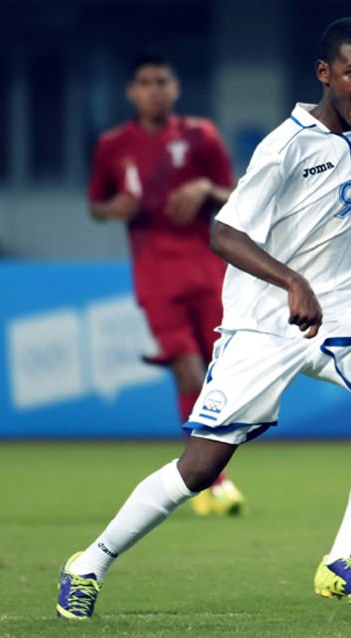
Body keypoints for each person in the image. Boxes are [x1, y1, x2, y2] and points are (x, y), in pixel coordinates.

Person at [58, 17, 351, 620]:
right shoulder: (285, 145)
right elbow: (223, 232)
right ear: (324, 74)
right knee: (200, 470)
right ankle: (90, 563)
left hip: (340, 312)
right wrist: (290, 281)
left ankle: (344, 558)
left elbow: (341, 233)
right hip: (264, 322)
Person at [87, 53, 245, 517]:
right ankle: (214, 481)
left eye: (162, 80)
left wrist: (206, 191)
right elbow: (95, 203)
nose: (154, 89)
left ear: (175, 88)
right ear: (131, 92)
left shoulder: (201, 136)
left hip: (208, 270)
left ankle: (205, 475)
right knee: (188, 373)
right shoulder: (114, 145)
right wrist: (112, 207)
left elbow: (237, 192)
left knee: (221, 378)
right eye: (145, 82)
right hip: (155, 275)